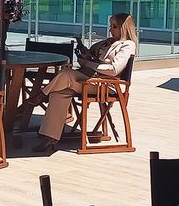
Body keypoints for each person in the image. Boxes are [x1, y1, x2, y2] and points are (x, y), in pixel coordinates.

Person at [29, 12, 138, 153]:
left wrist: (87, 64)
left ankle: (41, 96)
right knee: (60, 91)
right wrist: (88, 56)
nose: (111, 29)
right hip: (90, 80)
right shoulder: (108, 42)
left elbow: (114, 69)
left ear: (124, 28)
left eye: (115, 26)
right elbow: (96, 58)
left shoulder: (127, 45)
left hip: (105, 85)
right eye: (111, 26)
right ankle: (50, 138)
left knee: (66, 74)